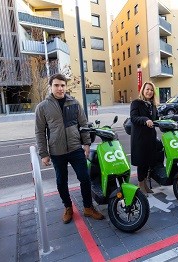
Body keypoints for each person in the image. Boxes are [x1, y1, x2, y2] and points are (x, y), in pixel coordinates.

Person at [35, 73, 104, 224]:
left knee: (85, 178)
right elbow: (40, 132)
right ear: (50, 87)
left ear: (65, 86)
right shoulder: (42, 107)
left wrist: (86, 143)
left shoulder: (74, 103)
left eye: (62, 85)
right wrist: (44, 153)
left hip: (75, 148)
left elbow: (84, 124)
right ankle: (68, 207)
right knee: (61, 182)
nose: (60, 88)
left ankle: (88, 207)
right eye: (56, 85)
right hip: (56, 151)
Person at [130, 81, 158, 195]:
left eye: (151, 90)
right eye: (147, 89)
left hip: (150, 138)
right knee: (141, 162)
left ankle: (145, 183)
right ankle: (140, 184)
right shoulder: (136, 103)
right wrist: (145, 120)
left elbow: (156, 118)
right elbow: (133, 118)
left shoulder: (153, 105)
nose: (149, 92)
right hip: (140, 138)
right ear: (143, 90)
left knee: (147, 162)